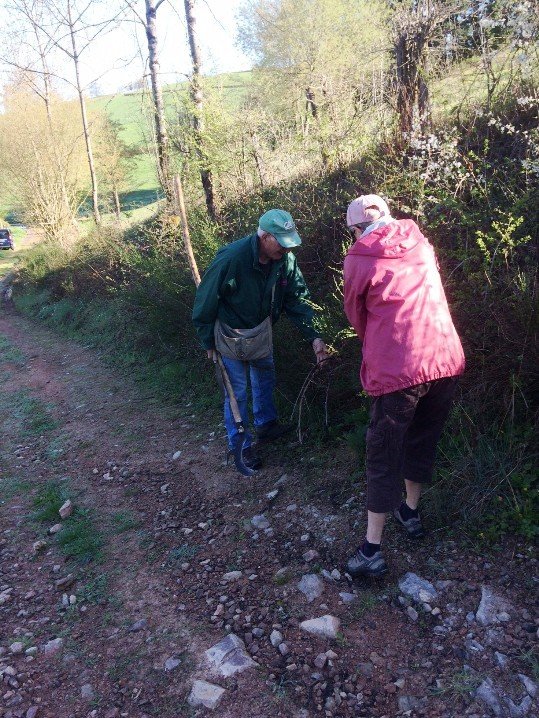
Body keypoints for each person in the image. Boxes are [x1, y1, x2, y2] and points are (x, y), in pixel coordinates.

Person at [342, 194, 465, 577]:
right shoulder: (420, 240)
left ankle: (370, 551)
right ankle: (409, 512)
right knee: (422, 438)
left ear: (359, 228)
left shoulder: (359, 259)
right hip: (445, 358)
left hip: (400, 369)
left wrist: (379, 342)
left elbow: (356, 317)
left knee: (382, 453)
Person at [192, 209, 329, 470]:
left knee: (265, 376)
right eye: (281, 241)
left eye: (290, 241)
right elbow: (205, 300)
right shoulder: (232, 259)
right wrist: (207, 340)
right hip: (229, 335)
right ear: (264, 236)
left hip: (261, 331)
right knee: (237, 392)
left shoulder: (285, 260)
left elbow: (297, 298)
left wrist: (315, 335)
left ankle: (266, 425)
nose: (287, 249)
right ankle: (241, 447)